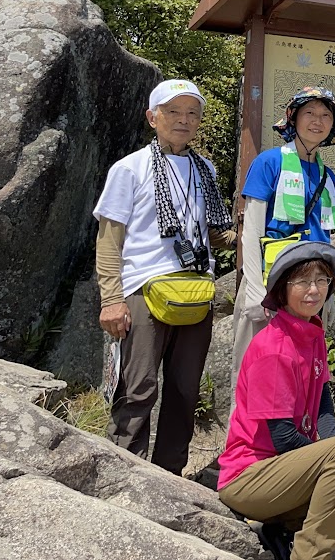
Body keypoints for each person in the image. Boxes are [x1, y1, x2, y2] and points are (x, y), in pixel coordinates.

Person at [94, 79, 235, 474]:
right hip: (144, 289)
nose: (184, 120)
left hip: (195, 290)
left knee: (184, 391)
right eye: (173, 111)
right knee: (138, 388)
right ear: (152, 117)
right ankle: (124, 475)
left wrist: (255, 231)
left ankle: (169, 477)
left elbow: (214, 233)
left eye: (192, 113)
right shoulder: (130, 169)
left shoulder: (203, 168)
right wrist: (111, 299)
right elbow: (109, 240)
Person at [218, 241, 335, 560]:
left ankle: (282, 529)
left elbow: (323, 408)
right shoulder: (274, 348)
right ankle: (310, 555)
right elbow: (281, 438)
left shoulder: (312, 333)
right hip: (249, 476)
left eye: (321, 281)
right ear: (283, 289)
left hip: (282, 473)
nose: (314, 290)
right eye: (303, 281)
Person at [232, 87, 335, 391]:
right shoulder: (269, 162)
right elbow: (252, 227)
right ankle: (248, 438)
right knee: (255, 367)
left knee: (302, 367)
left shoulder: (328, 176)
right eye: (309, 113)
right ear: (293, 119)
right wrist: (257, 289)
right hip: (272, 279)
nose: (318, 120)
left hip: (313, 284)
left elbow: (326, 236)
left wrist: (331, 291)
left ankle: (299, 437)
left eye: (326, 115)